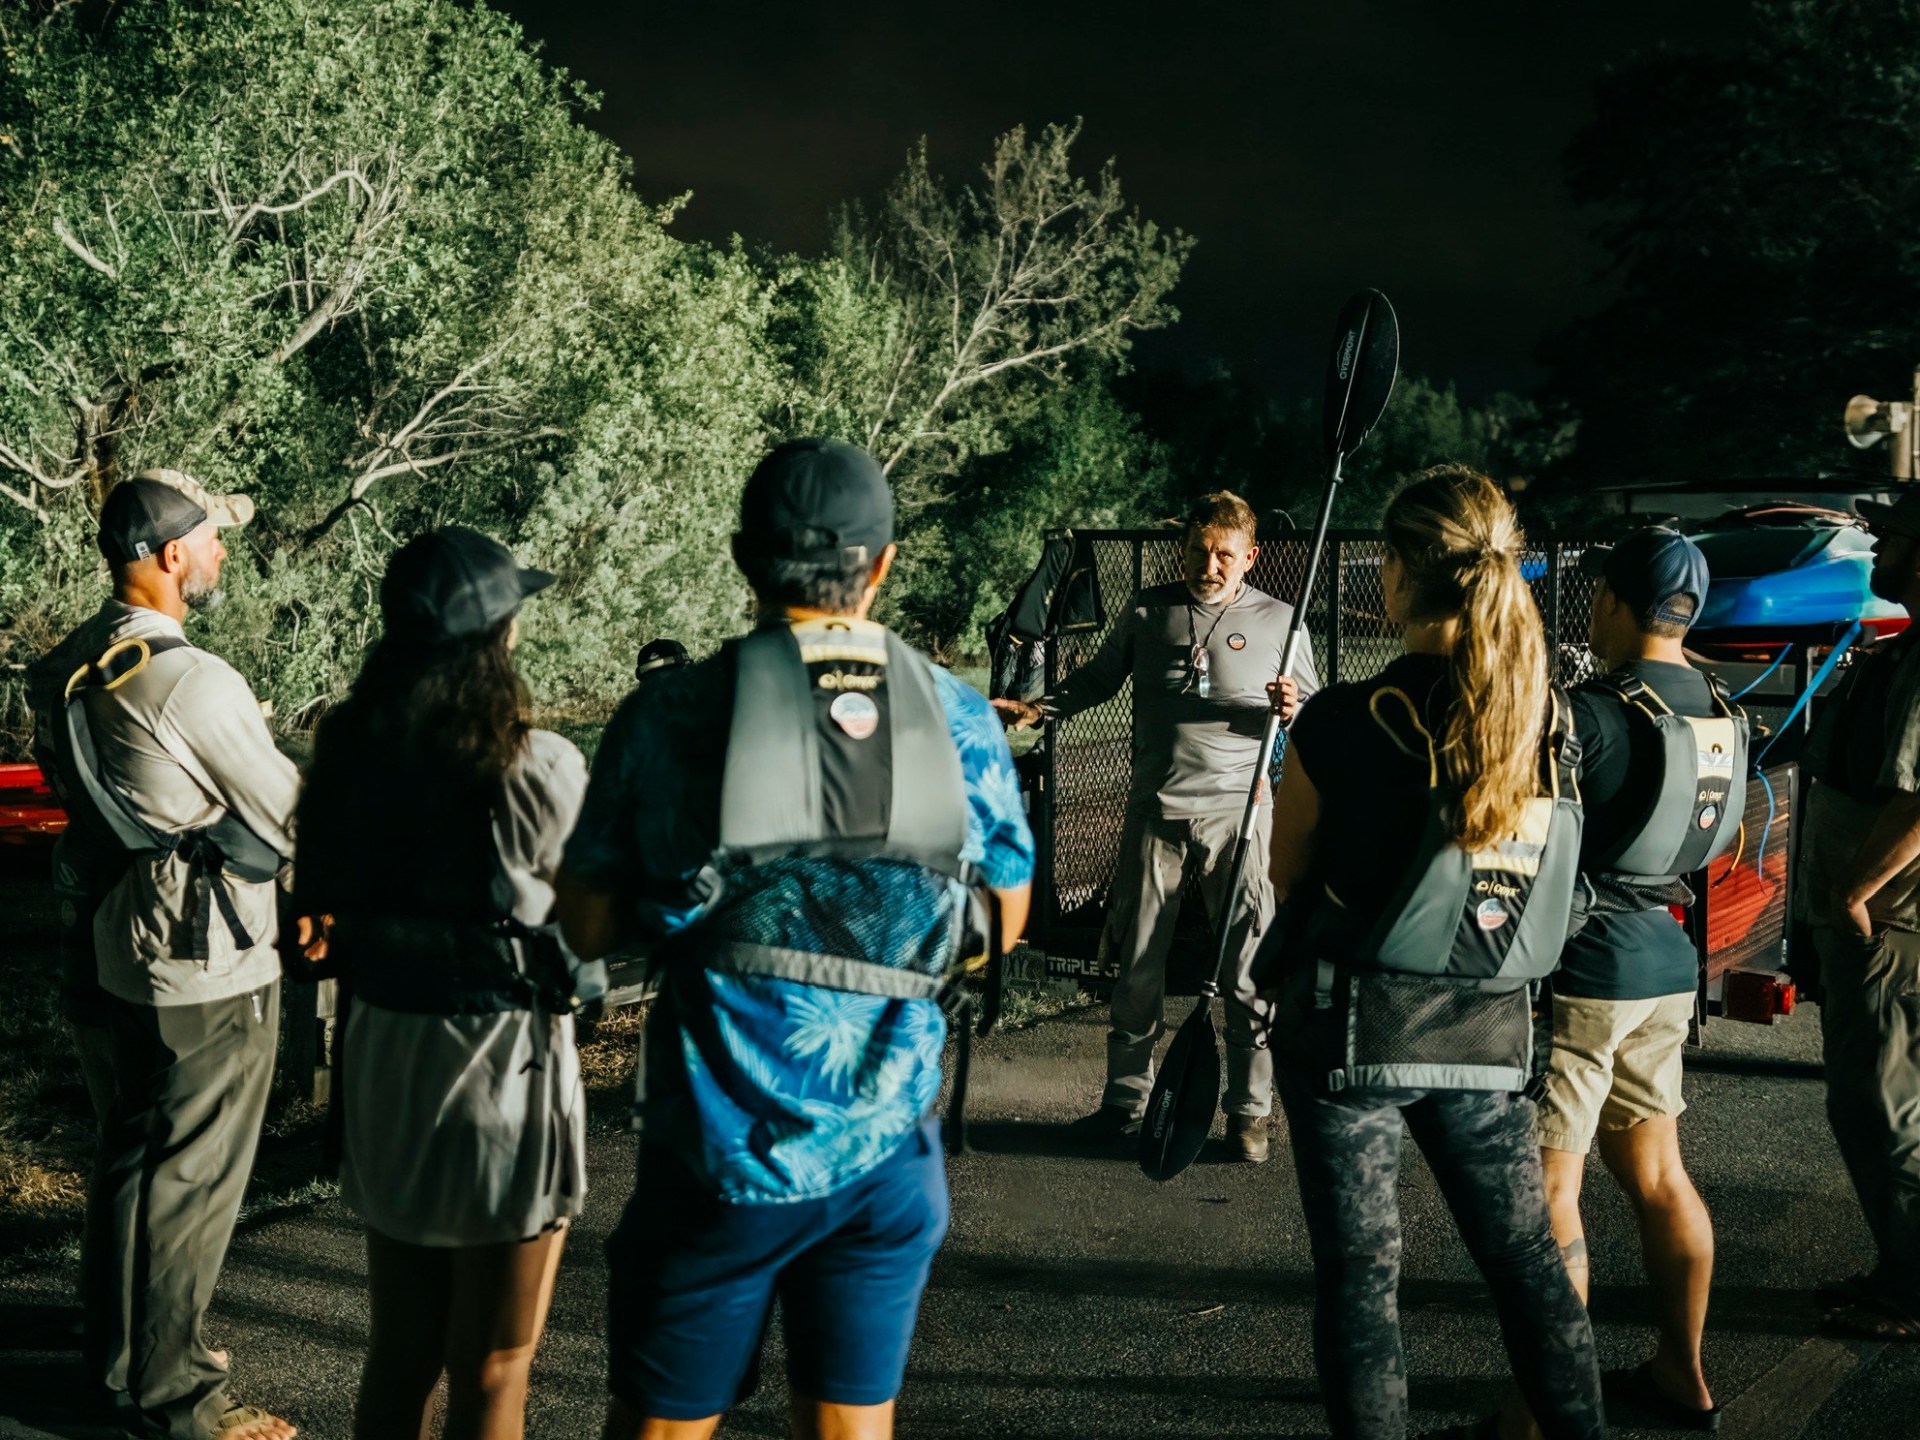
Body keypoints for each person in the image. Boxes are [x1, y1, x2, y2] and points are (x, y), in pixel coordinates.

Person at [557, 437, 1035, 1440]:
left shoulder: (667, 714)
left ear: (744, 560)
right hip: (889, 1148)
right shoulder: (956, 715)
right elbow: (1000, 919)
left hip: (717, 1154)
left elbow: (590, 924)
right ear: (884, 563)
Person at [1262, 466, 1605, 1440]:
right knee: (1528, 1268)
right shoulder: (1544, 723)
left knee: (1364, 1283)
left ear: (1404, 570)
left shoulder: (1342, 720)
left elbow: (1289, 873)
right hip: (1488, 1026)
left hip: (1352, 1030)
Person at [292, 527, 588, 1439]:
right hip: (502, 1064)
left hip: (386, 1055)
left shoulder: (345, 754)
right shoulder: (539, 765)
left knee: (401, 1349)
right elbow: (585, 913)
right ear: (498, 636)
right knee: (494, 1364)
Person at [27, 471, 298, 1440]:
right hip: (207, 962)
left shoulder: (65, 663)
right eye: (215, 536)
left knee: (132, 1167)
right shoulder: (196, 680)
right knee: (189, 1185)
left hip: (112, 945)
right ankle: (175, 1399)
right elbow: (288, 812)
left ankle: (121, 1364)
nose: (224, 550)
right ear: (172, 555)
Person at [992, 490, 1314, 1161]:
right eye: (1199, 548)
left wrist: (1292, 707)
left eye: (1226, 553)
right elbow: (1098, 681)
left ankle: (1250, 1117)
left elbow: (1310, 714)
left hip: (1240, 816)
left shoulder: (1283, 621)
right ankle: (1123, 1102)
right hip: (1155, 814)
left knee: (1247, 970)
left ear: (1250, 557)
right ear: (1184, 547)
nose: (1210, 563)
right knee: (1136, 965)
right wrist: (1034, 709)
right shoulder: (1149, 611)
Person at [1525, 527, 1738, 1431]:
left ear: (1614, 600)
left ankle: (1544, 1409)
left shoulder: (1597, 710)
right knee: (1660, 1176)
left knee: (1550, 1193)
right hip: (1667, 957)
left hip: (1588, 967)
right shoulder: (1720, 706)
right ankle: (1683, 1372)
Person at [1795, 489, 1920, 1343]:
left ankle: (1910, 1290)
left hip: (1889, 926)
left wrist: (1852, 895)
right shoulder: (1903, 650)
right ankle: (1900, 1270)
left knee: (1883, 1108)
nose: (1878, 552)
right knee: (1884, 1104)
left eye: (1896, 538)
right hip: (1886, 920)